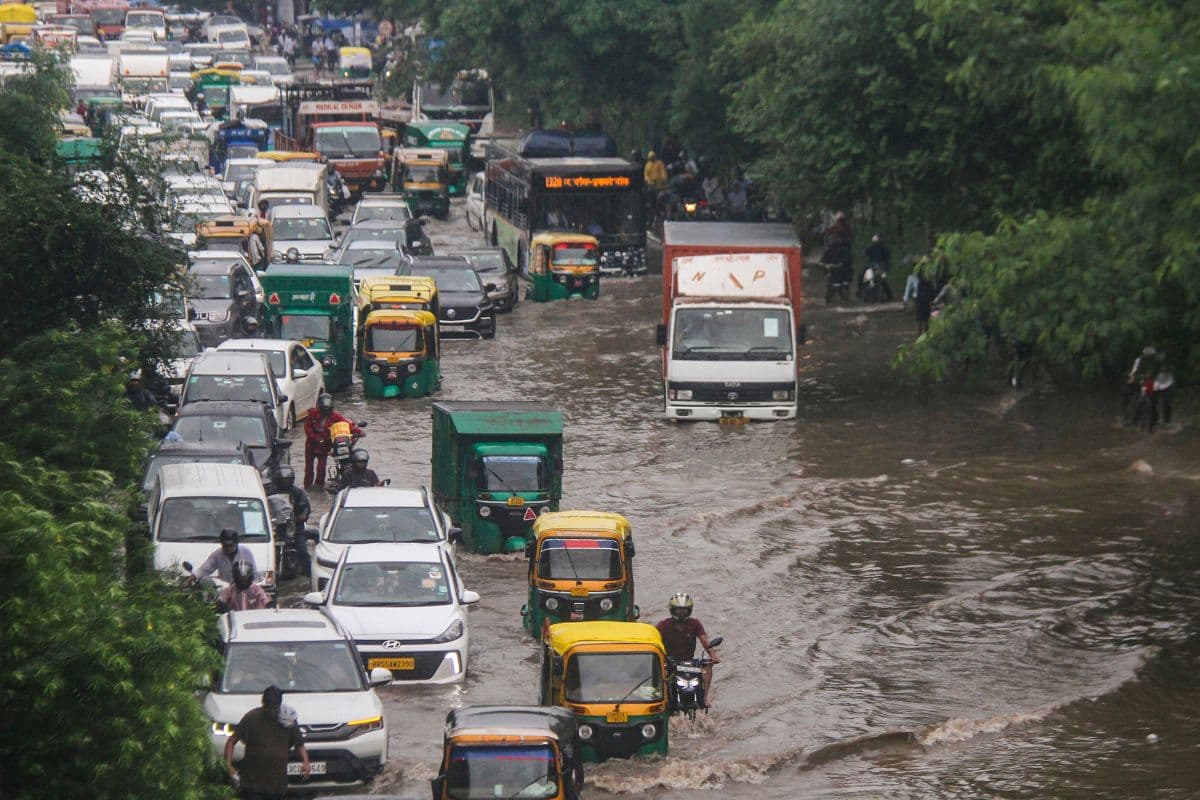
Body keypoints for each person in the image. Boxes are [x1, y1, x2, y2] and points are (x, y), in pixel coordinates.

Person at [226, 686, 309, 799]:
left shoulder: (287, 720)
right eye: (268, 707)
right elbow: (231, 741)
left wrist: (305, 762)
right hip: (253, 783)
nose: (271, 711)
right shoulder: (252, 718)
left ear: (279, 705)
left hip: (277, 785)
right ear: (263, 703)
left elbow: (299, 743)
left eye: (274, 708)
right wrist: (228, 765)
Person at [655, 592, 720, 707]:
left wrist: (713, 656)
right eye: (679, 610)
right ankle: (662, 697)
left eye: (684, 610)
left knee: (707, 665)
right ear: (672, 610)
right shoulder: (663, 625)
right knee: (658, 674)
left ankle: (704, 697)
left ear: (689, 610)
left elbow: (704, 641)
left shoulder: (695, 624)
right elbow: (655, 641)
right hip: (669, 662)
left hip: (689, 661)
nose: (681, 613)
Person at [302, 393, 361, 489]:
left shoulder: (335, 416)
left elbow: (346, 425)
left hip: (324, 447)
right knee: (308, 469)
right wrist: (316, 439)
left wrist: (358, 431)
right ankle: (307, 487)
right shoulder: (312, 414)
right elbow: (307, 429)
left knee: (321, 469)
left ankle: (319, 486)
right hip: (311, 446)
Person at [272, 464, 312, 577]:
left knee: (303, 551)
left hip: (294, 527)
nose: (284, 482)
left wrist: (301, 516)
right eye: (282, 480)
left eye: (286, 480)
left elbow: (305, 508)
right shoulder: (271, 492)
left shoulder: (298, 493)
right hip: (276, 526)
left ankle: (309, 575)